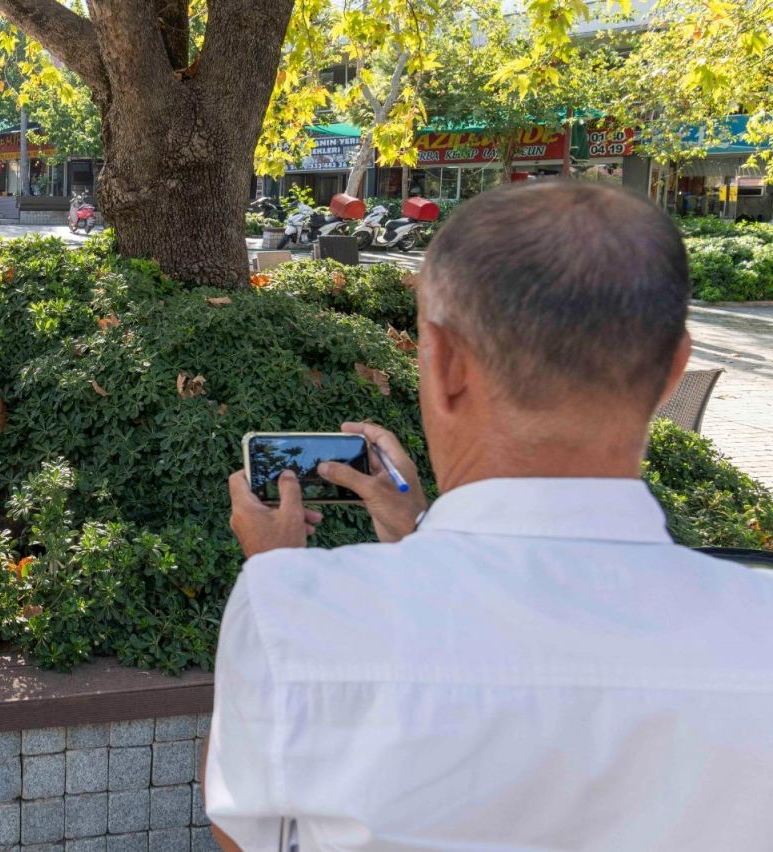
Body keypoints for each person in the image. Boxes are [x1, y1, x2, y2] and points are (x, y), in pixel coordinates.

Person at [205, 181, 773, 850]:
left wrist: (279, 583)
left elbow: (248, 839)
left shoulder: (295, 612)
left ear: (444, 362)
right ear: (675, 369)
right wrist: (411, 536)